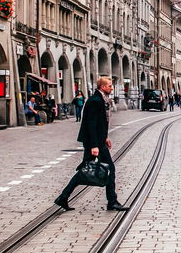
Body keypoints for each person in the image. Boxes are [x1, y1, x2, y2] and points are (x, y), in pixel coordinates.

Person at [54, 76, 128, 212]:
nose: (111, 88)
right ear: (103, 87)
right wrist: (94, 145)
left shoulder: (101, 100)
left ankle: (63, 197)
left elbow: (100, 123)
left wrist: (105, 137)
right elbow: (91, 124)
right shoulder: (95, 101)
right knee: (110, 168)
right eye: (110, 86)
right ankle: (112, 201)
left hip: (98, 141)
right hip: (94, 142)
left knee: (85, 170)